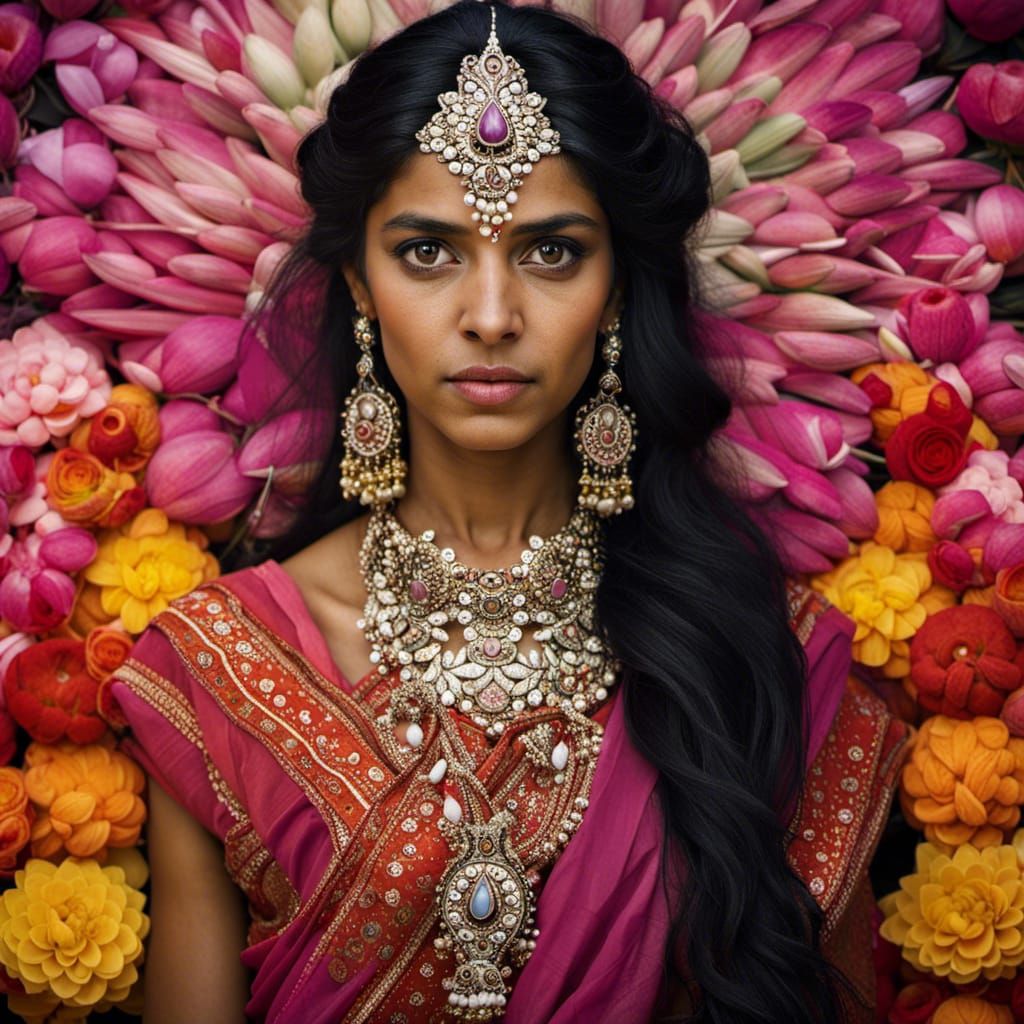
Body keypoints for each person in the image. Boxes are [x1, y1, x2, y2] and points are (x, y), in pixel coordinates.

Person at [109, 2, 911, 1021]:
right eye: (428, 252)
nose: (491, 316)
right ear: (360, 283)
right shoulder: (218, 665)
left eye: (551, 252)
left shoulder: (756, 654)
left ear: (616, 288)